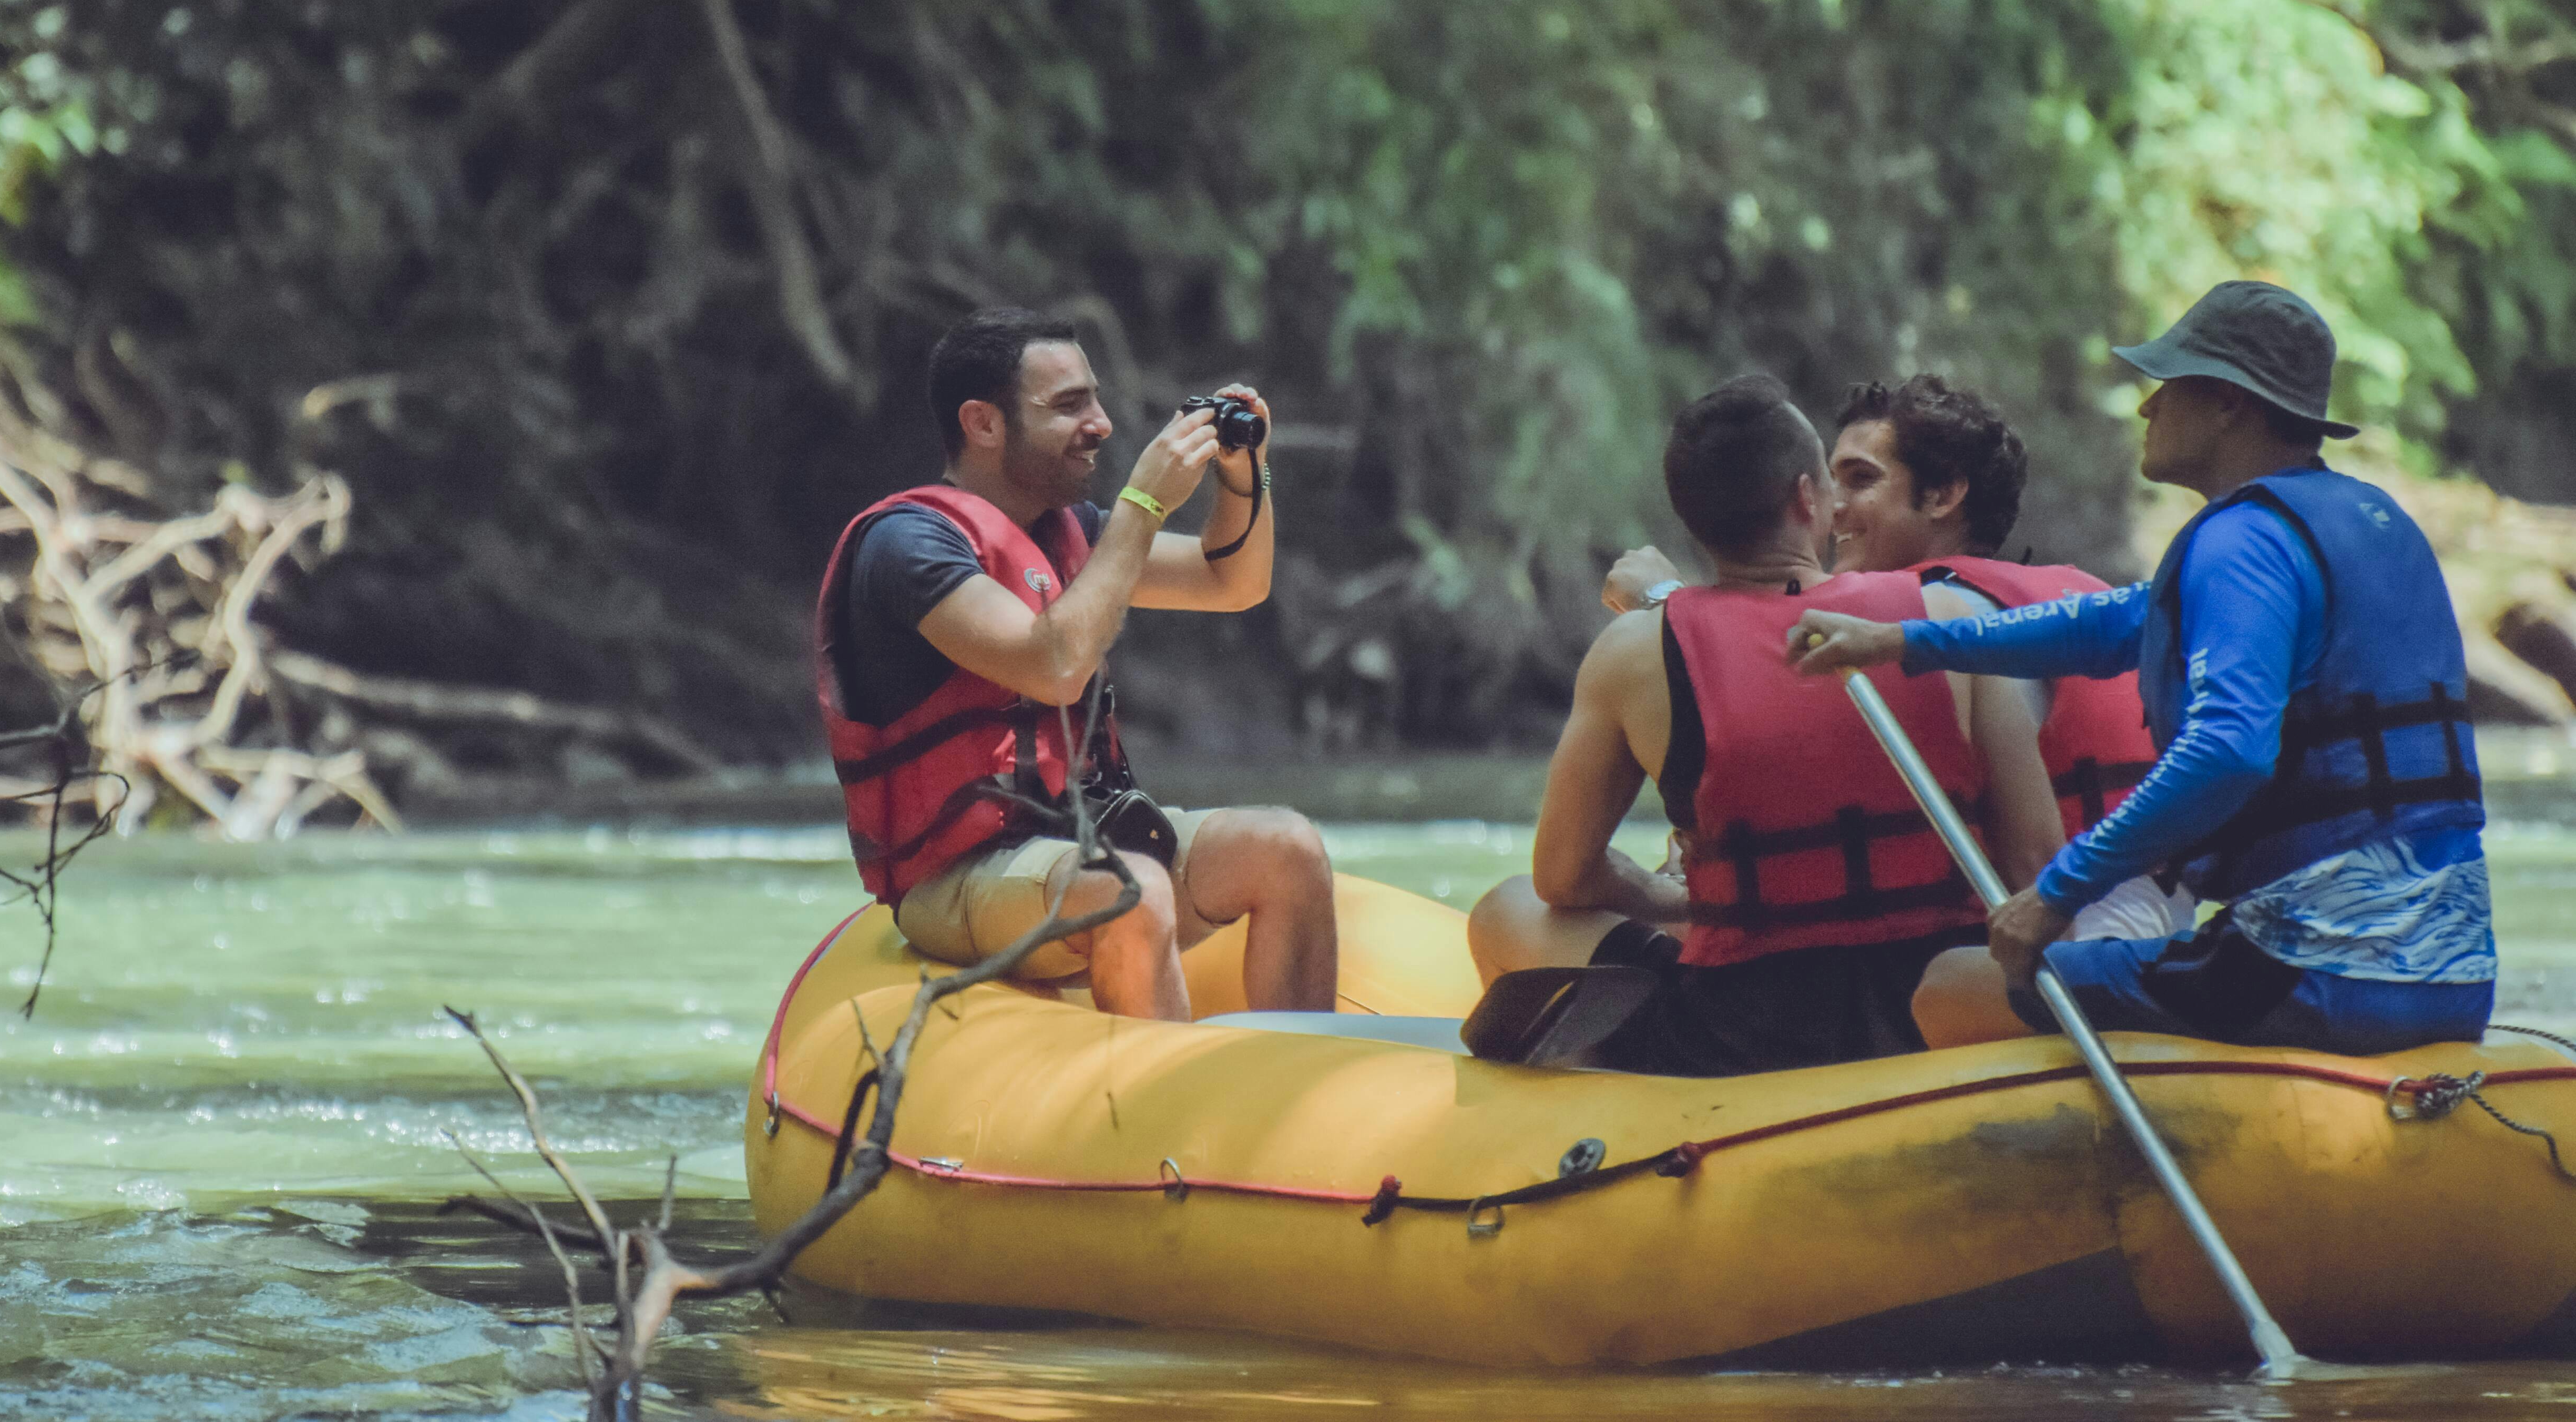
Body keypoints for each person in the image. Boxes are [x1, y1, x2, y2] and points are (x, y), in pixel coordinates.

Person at [1790, 281, 2495, 1056]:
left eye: (2168, 386)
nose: (2146, 409)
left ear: (2229, 404)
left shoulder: (2243, 541)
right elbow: (2110, 623)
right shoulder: (2370, 520)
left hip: (2316, 968)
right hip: (2455, 977)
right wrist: (1902, 643)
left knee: (1952, 986)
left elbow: (2230, 750)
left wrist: (2058, 891)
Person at [1465, 375, 2063, 1077]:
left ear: (1693, 518)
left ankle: (1592, 1115)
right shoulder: (1953, 623)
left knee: (1503, 909)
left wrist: (1666, 897)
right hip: (1933, 1013)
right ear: (1808, 498)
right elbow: (2036, 864)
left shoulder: (1633, 654)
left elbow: (1563, 876)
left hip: (1736, 1042)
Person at [815, 307, 1335, 1022]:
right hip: (960, 877)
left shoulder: (1074, 534)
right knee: (1134, 889)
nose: (1102, 423)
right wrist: (1145, 502)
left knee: (1289, 849)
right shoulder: (907, 547)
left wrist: (1243, 475)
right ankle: (1162, 1113)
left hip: (1083, 841)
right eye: (1069, 405)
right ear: (984, 423)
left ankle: (1295, 1089)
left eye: (1094, 397)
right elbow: (1054, 664)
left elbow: (1232, 582)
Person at [1604, 374, 2184, 943]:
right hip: (2154, 901)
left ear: (1942, 495)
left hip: (2081, 922)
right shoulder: (2056, 589)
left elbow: (1760, 677)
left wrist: (1663, 604)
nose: (1829, 508)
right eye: (1828, 482)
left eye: (1859, 480)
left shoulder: (1941, 613)